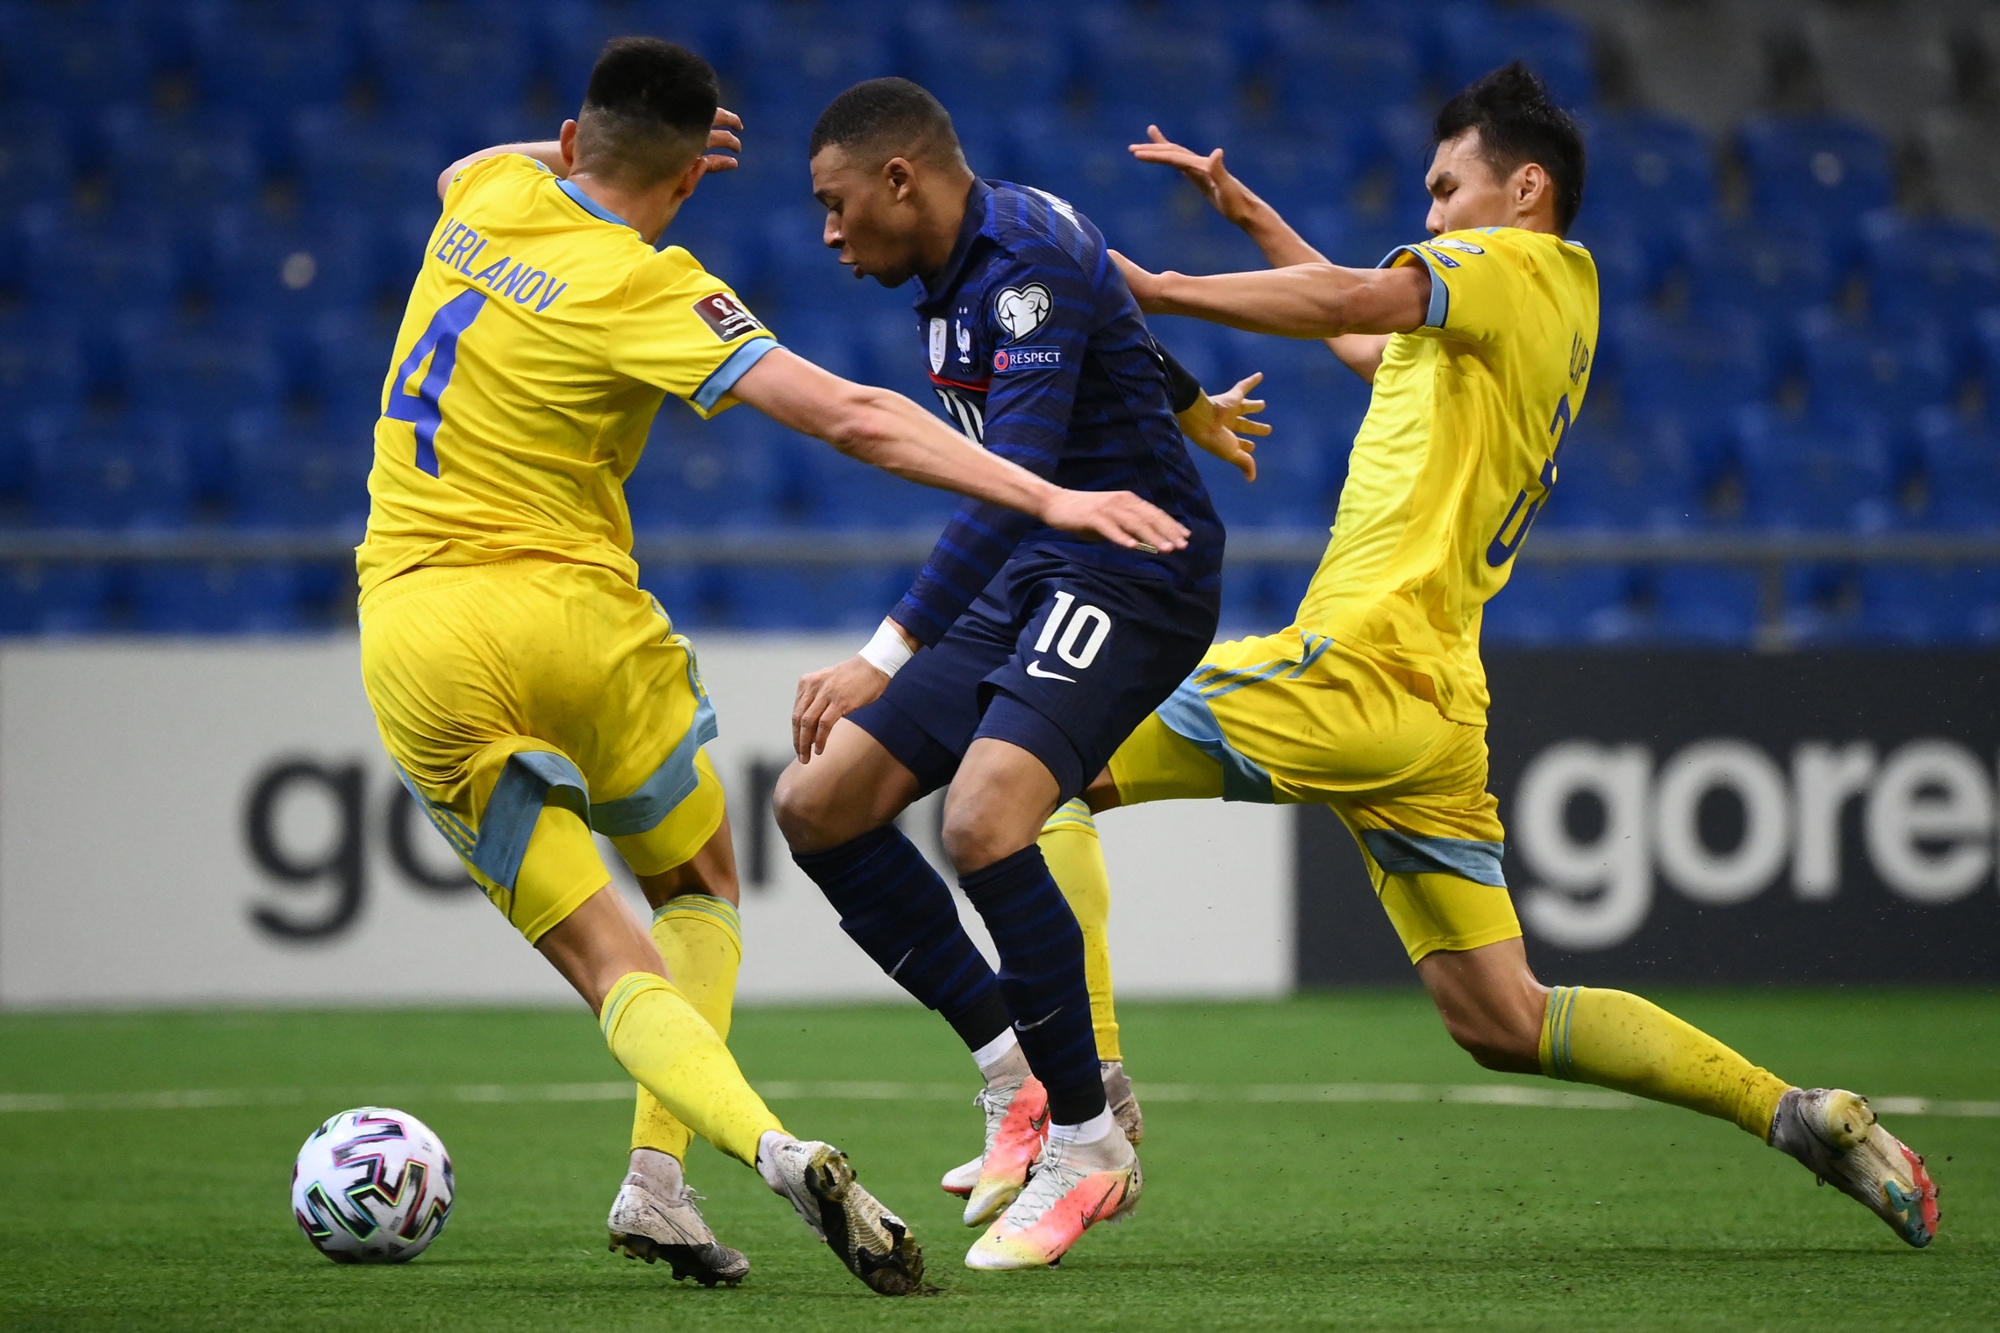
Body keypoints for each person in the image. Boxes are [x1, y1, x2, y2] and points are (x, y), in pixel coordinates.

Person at [999, 62, 1941, 1250]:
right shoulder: (1528, 311)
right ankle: (1790, 1112)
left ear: (1524, 188)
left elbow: (1358, 293)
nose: (1430, 215)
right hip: (1435, 703)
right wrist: (1251, 218)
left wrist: (1150, 286)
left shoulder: (1505, 265)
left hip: (1354, 665)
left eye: (1447, 190)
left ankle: (1093, 1114)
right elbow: (1363, 325)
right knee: (1501, 1015)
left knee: (1034, 769)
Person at [356, 38, 1192, 1298]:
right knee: (719, 875)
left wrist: (585, 148)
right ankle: (668, 1173)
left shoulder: (486, 199)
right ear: (693, 178)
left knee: (610, 962)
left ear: (573, 143)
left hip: (417, 623)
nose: (821, 230)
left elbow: (464, 164)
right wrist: (1045, 495)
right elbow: (851, 414)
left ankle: (796, 1143)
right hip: (578, 621)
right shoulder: (654, 282)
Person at [770, 77, 1263, 1271]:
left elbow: (1017, 479)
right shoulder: (980, 251)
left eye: (836, 205)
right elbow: (1121, 323)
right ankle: (1016, 1079)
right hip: (1042, 562)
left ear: (901, 178)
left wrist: (881, 654)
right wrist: (1189, 406)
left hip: (1133, 569)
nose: (827, 233)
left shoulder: (1021, 267)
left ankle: (1089, 1145)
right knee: (816, 804)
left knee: (983, 820)